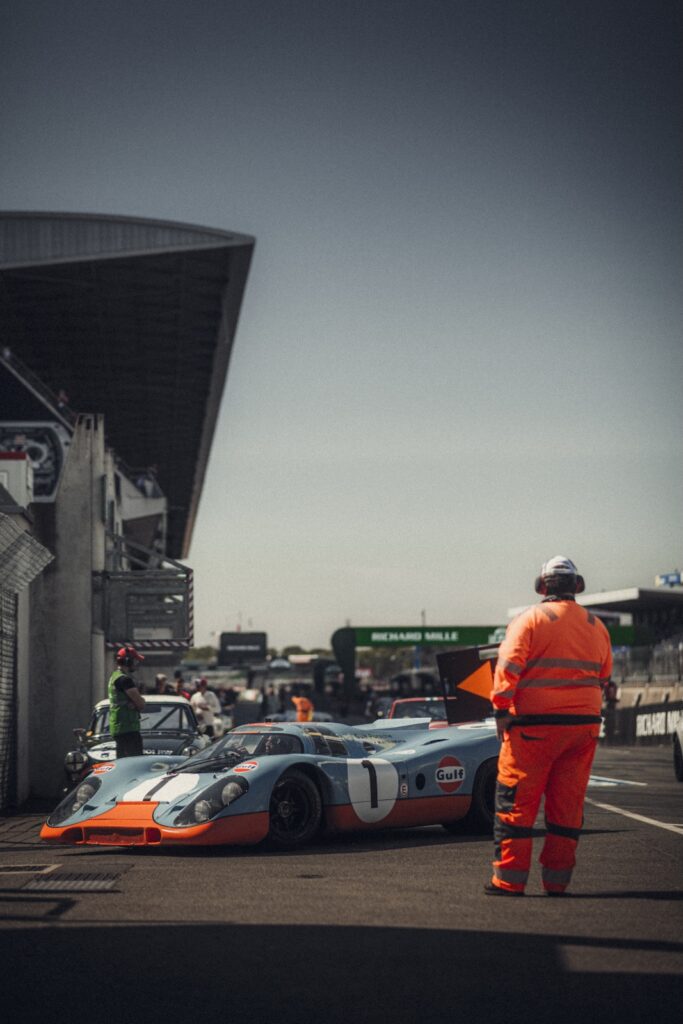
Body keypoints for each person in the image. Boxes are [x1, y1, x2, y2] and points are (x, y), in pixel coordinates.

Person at [485, 556, 612, 897]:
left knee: (516, 804)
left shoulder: (530, 620)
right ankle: (557, 882)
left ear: (542, 587)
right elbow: (604, 676)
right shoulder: (596, 626)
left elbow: (508, 666)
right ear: (578, 586)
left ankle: (509, 881)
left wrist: (501, 710)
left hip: (533, 728)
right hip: (583, 728)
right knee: (567, 806)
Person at [108, 645, 147, 758]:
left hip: (119, 727)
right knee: (134, 764)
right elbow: (141, 704)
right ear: (127, 661)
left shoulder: (114, 677)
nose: (136, 664)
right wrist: (138, 702)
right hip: (128, 728)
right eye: (134, 660)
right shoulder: (125, 680)